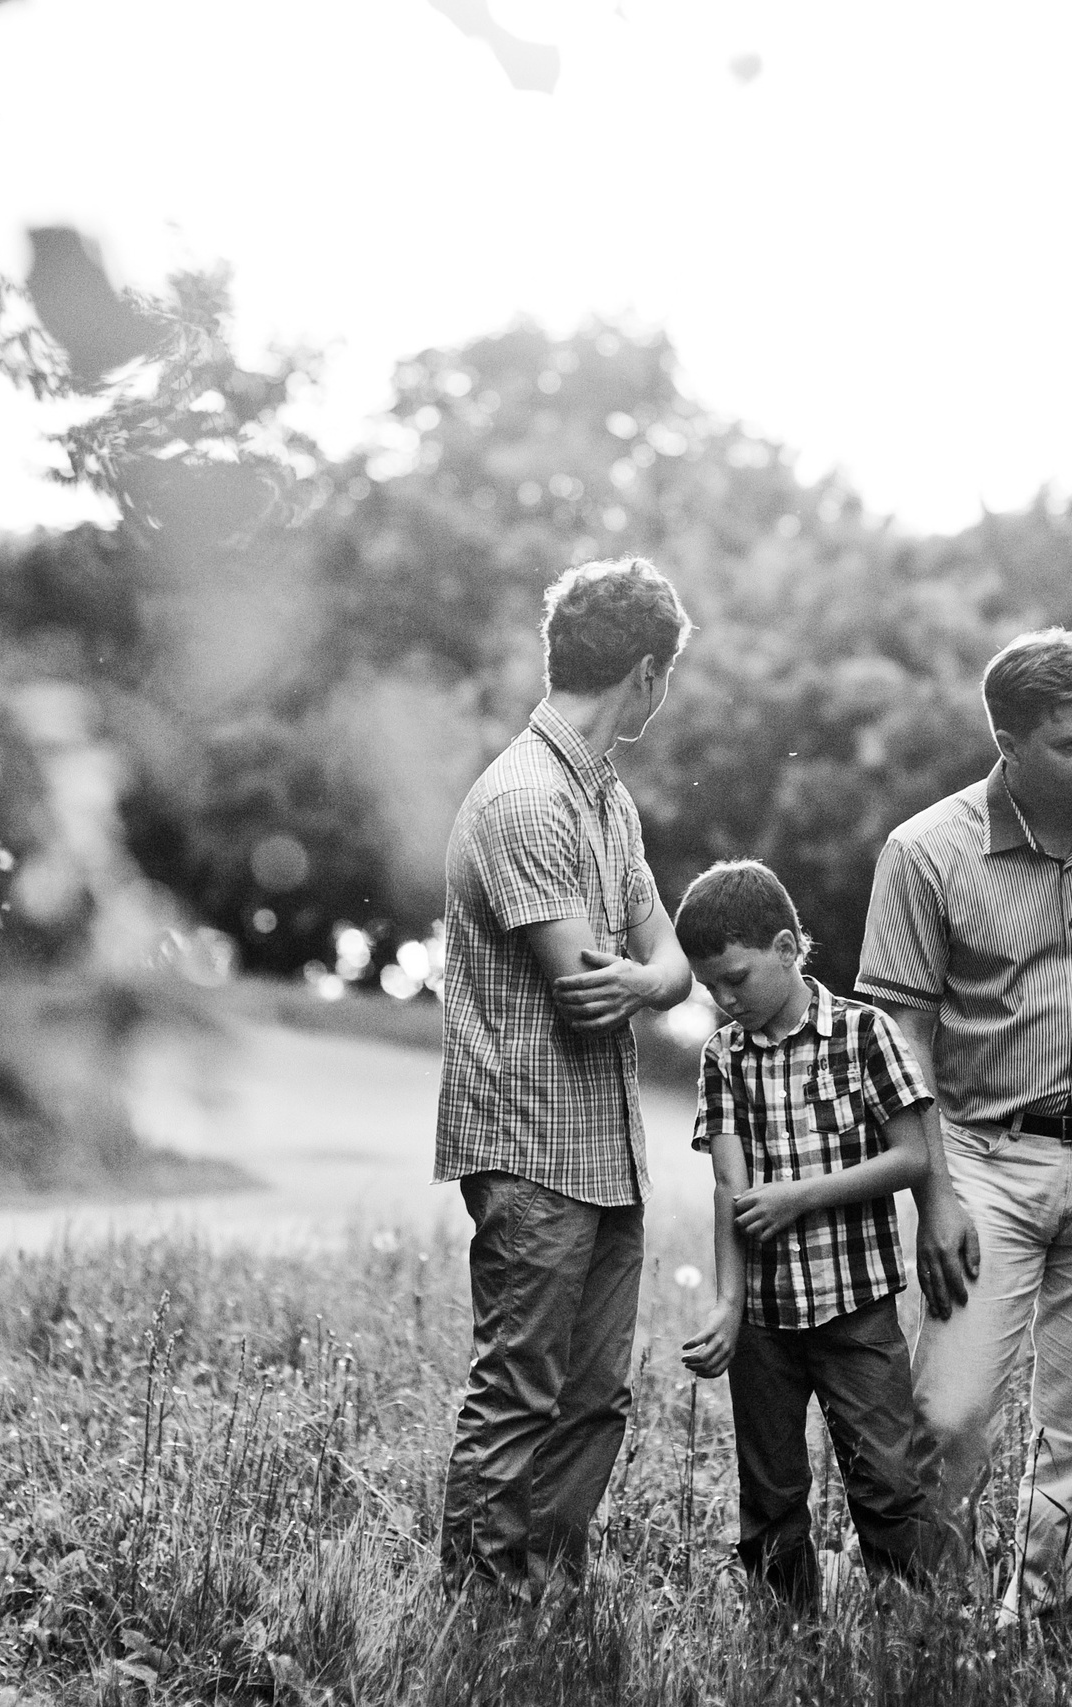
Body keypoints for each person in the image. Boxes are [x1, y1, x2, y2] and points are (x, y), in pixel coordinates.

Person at [854, 627, 1072, 1621]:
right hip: (983, 1162)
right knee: (950, 1416)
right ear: (1006, 740)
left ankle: (1045, 1619)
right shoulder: (925, 852)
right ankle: (926, 1620)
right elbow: (894, 1042)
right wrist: (930, 1193)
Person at [434, 556, 696, 1597]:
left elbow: (668, 966)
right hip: (530, 1146)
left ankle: (546, 1591)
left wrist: (643, 975)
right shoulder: (525, 801)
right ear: (646, 673)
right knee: (520, 1390)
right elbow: (593, 985)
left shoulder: (607, 802)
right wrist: (644, 975)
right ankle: (480, 1610)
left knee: (594, 1397)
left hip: (606, 1146)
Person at [673, 860, 943, 1615]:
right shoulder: (723, 1057)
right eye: (711, 989)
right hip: (764, 1318)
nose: (725, 1000)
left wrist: (799, 1197)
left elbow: (912, 1155)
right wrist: (728, 1304)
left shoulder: (864, 1034)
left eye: (735, 977)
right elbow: (729, 1186)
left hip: (856, 1308)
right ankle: (789, 1636)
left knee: (887, 1480)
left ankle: (914, 1635)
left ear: (788, 946)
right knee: (772, 1493)